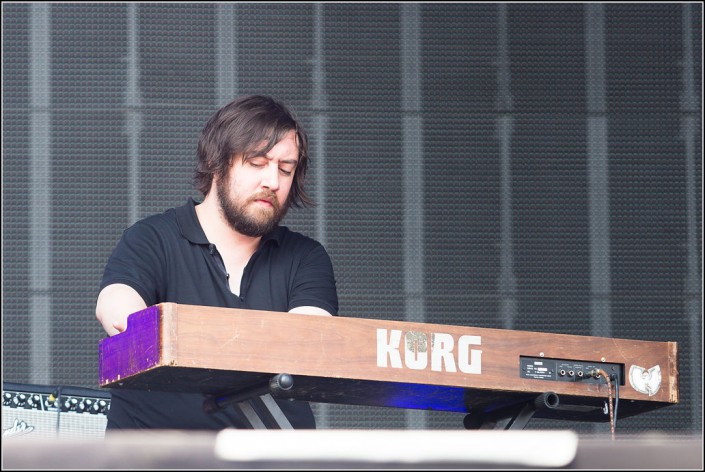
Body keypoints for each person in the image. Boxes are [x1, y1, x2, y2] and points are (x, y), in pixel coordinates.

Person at [95, 94, 338, 431]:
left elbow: (307, 342)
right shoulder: (150, 238)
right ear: (217, 163)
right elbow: (118, 311)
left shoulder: (305, 257)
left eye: (286, 169)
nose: (273, 181)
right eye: (257, 162)